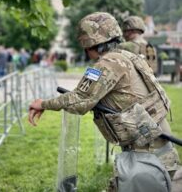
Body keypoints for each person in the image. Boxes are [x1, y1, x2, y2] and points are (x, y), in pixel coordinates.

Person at [29, 12, 180, 191]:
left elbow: (79, 100)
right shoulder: (125, 55)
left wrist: (43, 104)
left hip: (148, 158)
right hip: (159, 150)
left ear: (90, 43)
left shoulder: (108, 63)